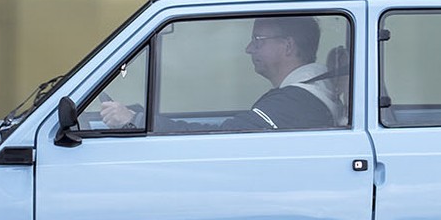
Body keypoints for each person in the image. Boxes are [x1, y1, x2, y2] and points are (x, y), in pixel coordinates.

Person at [100, 15, 340, 132]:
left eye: (258, 40)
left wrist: (136, 121)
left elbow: (225, 136)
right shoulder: (307, 94)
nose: (248, 49)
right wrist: (139, 114)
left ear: (288, 46)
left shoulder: (295, 103)